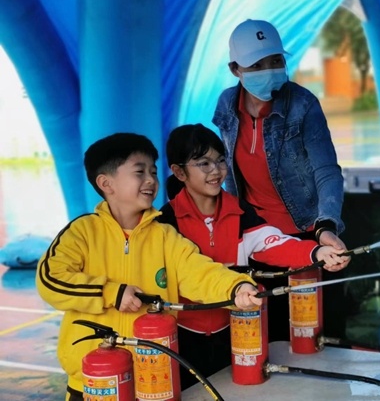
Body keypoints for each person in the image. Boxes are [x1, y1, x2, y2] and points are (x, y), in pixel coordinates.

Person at [36, 132, 261, 401]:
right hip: (93, 383)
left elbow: (201, 272)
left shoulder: (165, 237)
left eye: (153, 172)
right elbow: (51, 280)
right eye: (139, 172)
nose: (151, 180)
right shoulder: (82, 232)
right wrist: (111, 293)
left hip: (153, 381)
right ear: (106, 183)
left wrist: (236, 288)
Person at [158, 123, 350, 389]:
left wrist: (316, 252)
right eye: (203, 163)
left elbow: (274, 243)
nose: (216, 170)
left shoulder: (240, 212)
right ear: (179, 172)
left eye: (220, 160)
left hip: (236, 330)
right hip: (183, 336)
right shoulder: (165, 222)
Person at [212, 19, 348, 341]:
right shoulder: (227, 105)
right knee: (268, 335)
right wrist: (231, 226)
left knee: (317, 334)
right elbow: (224, 171)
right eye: (256, 65)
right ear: (235, 69)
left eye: (275, 61)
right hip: (258, 238)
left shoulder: (303, 104)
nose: (269, 70)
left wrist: (325, 226)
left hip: (308, 235)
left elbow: (327, 170)